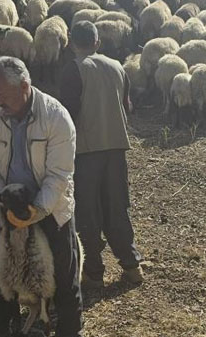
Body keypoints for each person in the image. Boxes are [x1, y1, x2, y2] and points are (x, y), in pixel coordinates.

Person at [0, 56, 85, 337]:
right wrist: (2, 203)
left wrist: (37, 211)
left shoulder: (56, 117)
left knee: (63, 271)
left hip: (51, 205)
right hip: (8, 204)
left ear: (24, 86)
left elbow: (60, 173)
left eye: (2, 95)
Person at [58, 21, 143, 288]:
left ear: (71, 42)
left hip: (86, 150)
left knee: (88, 210)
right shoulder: (118, 66)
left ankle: (93, 272)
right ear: (97, 42)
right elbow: (127, 106)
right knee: (117, 206)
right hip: (116, 147)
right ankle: (131, 265)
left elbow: (68, 114)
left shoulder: (73, 70)